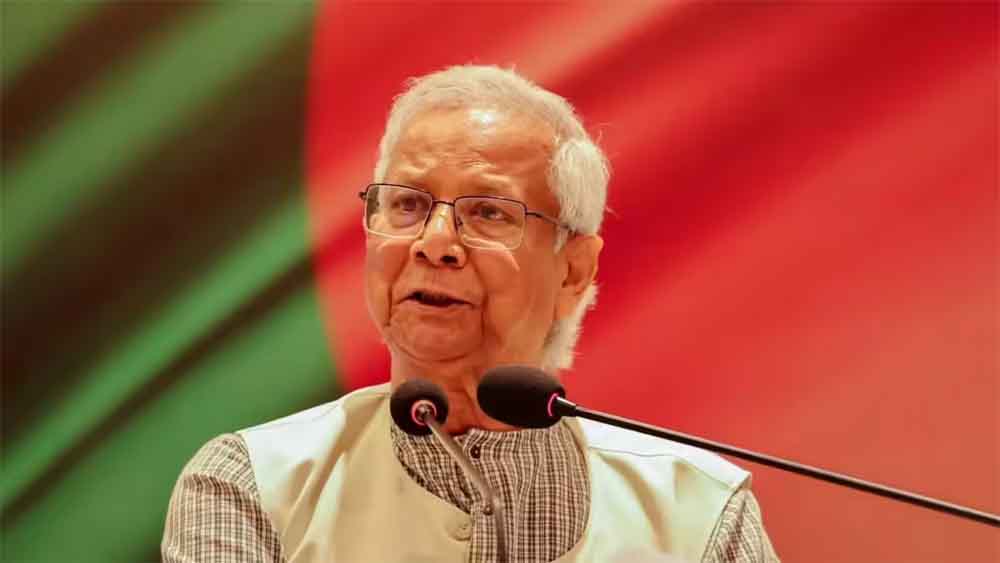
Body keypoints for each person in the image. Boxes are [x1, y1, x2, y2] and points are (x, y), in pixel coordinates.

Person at [162, 64, 779, 563]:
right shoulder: (253, 487)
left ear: (573, 270)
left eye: (488, 213)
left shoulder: (695, 512)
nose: (435, 242)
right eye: (407, 204)